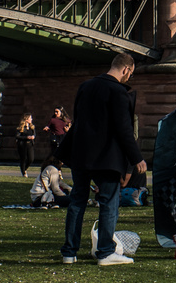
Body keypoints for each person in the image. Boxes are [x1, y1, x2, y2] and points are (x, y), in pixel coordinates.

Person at [59, 52, 147, 266]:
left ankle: (69, 252)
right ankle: (106, 251)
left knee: (77, 202)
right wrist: (136, 159)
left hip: (81, 154)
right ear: (126, 69)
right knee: (109, 203)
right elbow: (124, 130)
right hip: (107, 157)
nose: (129, 78)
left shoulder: (85, 87)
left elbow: (78, 121)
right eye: (130, 74)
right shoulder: (118, 92)